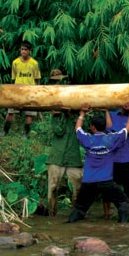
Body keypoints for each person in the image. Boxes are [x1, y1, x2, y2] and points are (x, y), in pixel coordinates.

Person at [67, 104, 129, 223]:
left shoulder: (87, 139)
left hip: (89, 181)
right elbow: (127, 128)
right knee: (123, 203)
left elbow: (77, 128)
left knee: (80, 208)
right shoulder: (111, 139)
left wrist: (82, 113)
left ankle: (69, 225)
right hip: (105, 181)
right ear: (104, 127)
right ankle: (123, 226)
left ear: (92, 127)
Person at [45, 70, 83, 217]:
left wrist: (71, 114)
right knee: (53, 188)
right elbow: (58, 131)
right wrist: (57, 116)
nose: (59, 83)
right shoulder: (56, 116)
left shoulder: (76, 115)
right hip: (57, 157)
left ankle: (75, 216)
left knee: (77, 190)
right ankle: (52, 214)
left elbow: (79, 129)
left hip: (73, 157)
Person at [103, 102, 129, 219]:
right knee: (107, 186)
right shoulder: (111, 114)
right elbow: (109, 130)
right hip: (111, 158)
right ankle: (107, 214)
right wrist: (106, 110)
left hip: (125, 158)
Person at [3, 41, 40, 137]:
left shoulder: (34, 63)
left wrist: (37, 92)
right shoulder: (15, 62)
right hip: (17, 90)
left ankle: (26, 133)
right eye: (22, 49)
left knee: (29, 113)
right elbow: (14, 78)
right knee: (11, 111)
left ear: (29, 51)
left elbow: (37, 79)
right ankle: (5, 131)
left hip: (30, 91)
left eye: (25, 50)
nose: (23, 52)